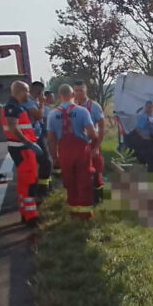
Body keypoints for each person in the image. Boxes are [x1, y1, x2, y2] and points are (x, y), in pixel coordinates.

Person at [46, 84, 98, 220]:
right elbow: (93, 134)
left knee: (70, 181)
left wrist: (54, 158)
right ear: (73, 95)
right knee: (84, 180)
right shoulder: (82, 111)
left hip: (64, 151)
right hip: (81, 150)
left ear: (59, 96)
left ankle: (74, 211)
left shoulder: (52, 114)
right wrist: (94, 145)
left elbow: (51, 140)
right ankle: (85, 214)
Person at [1, 80, 44, 226]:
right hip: (22, 149)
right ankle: (31, 216)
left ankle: (26, 212)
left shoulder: (15, 106)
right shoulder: (12, 107)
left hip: (22, 148)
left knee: (24, 182)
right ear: (20, 92)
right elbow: (13, 128)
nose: (28, 94)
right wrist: (28, 143)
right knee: (30, 181)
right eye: (26, 91)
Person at [73, 81, 105, 204]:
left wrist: (97, 147)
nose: (78, 93)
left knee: (96, 171)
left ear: (86, 91)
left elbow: (102, 128)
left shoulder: (94, 106)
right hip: (78, 145)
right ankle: (84, 198)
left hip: (92, 142)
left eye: (81, 90)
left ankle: (99, 199)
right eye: (76, 91)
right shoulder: (72, 106)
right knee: (81, 173)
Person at [27, 81, 52, 200]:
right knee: (46, 162)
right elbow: (38, 116)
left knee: (45, 162)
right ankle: (41, 191)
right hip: (32, 137)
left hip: (37, 135)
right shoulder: (29, 101)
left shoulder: (33, 101)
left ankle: (44, 188)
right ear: (39, 92)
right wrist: (42, 104)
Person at [127, 101, 153, 172]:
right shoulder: (144, 117)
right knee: (151, 158)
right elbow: (138, 128)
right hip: (146, 142)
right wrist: (143, 136)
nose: (150, 109)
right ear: (146, 108)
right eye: (149, 107)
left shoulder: (152, 117)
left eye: (152, 107)